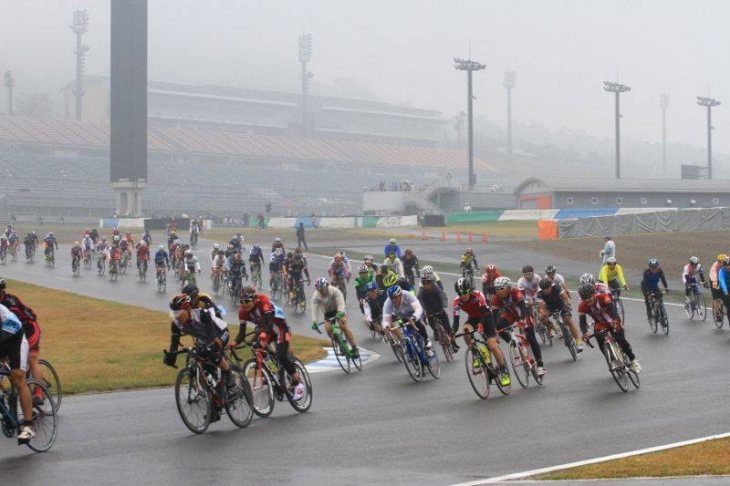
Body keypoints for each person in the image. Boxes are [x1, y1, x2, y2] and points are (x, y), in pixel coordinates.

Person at [163, 294, 236, 412]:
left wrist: (207, 348)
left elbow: (212, 336)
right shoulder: (176, 323)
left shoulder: (202, 314)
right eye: (174, 314)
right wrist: (172, 356)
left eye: (178, 313)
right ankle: (214, 406)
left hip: (220, 333)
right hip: (203, 339)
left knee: (210, 351)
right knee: (202, 369)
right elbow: (174, 342)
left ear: (188, 309)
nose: (176, 317)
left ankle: (228, 373)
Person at [232, 286, 305, 400]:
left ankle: (297, 383)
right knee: (255, 345)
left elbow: (270, 323)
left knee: (281, 355)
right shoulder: (242, 312)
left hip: (279, 327)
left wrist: (264, 334)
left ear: (254, 299)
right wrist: (234, 343)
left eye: (246, 301)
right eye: (241, 301)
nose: (244, 304)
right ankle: (270, 370)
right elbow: (241, 333)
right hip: (265, 329)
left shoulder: (263, 303)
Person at [452, 277, 511, 386]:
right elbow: (456, 322)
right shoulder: (457, 302)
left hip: (486, 318)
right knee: (465, 331)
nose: (462, 295)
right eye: (460, 293)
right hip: (473, 319)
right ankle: (476, 353)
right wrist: (452, 333)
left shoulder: (478, 295)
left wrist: (481, 324)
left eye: (465, 292)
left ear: (469, 290)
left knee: (492, 345)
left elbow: (485, 312)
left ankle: (504, 372)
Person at [0, 278, 46, 407]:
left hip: (29, 328)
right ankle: (12, 393)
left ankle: (38, 393)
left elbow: (11, 328)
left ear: (2, 291)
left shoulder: (10, 303)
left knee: (31, 358)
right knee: (8, 364)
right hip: (13, 333)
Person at [577, 284, 641, 373]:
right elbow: (582, 323)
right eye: (584, 298)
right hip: (600, 324)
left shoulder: (603, 297)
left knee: (620, 339)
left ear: (593, 294)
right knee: (599, 339)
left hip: (612, 319)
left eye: (588, 297)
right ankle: (613, 360)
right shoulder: (582, 306)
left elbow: (613, 309)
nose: (587, 300)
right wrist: (585, 332)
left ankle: (633, 361)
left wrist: (615, 321)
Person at [490, 276, 546, 377]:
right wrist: (494, 329)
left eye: (501, 288)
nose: (499, 291)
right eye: (497, 289)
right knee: (499, 327)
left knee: (531, 337)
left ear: (508, 288)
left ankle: (540, 365)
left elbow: (523, 307)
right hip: (510, 315)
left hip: (522, 313)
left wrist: (521, 320)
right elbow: (494, 316)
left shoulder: (515, 292)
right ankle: (514, 345)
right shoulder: (495, 298)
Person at [0, 302, 35, 440]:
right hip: (2, 340)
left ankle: (28, 426)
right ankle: (4, 395)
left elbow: (8, 331)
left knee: (18, 379)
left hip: (15, 339)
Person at [311, 277, 359, 358]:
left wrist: (340, 313)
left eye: (322, 289)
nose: (321, 292)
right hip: (328, 313)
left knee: (343, 326)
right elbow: (314, 309)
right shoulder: (315, 296)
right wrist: (315, 321)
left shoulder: (334, 291)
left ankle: (354, 348)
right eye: (319, 290)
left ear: (326, 285)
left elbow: (341, 303)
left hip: (338, 309)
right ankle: (340, 343)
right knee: (328, 329)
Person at [382, 285, 433, 355]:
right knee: (407, 332)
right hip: (404, 317)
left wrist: (414, 317)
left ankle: (427, 340)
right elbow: (386, 318)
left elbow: (418, 308)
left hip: (414, 313)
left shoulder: (407, 295)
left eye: (395, 297)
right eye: (391, 298)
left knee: (418, 324)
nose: (393, 300)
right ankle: (413, 350)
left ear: (400, 295)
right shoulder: (388, 303)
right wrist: (386, 326)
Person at [536, 278, 583, 352]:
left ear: (550, 286)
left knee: (568, 320)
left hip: (561, 305)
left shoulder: (557, 287)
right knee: (541, 318)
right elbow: (541, 308)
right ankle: (556, 329)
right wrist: (543, 314)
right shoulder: (539, 294)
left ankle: (578, 342)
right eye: (543, 289)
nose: (545, 290)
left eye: (547, 288)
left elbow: (567, 298)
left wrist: (568, 305)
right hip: (549, 307)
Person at [417, 271, 456, 351]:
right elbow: (420, 303)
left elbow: (443, 296)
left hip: (440, 309)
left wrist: (444, 307)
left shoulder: (436, 288)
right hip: (430, 311)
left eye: (428, 283)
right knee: (432, 324)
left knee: (448, 328)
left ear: (431, 282)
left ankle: (453, 343)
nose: (426, 285)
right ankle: (436, 331)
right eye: (424, 283)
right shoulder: (421, 292)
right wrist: (422, 314)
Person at [640, 258, 670, 325]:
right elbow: (645, 283)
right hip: (645, 287)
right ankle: (649, 314)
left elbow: (663, 280)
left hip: (654, 286)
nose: (654, 270)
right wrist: (648, 293)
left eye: (655, 268)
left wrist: (666, 288)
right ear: (649, 267)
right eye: (652, 268)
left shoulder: (660, 271)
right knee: (648, 300)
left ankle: (662, 319)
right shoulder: (646, 272)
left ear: (658, 267)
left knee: (660, 299)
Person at [709, 254, 727, 321]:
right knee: (716, 297)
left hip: (723, 278)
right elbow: (714, 279)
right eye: (721, 262)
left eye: (723, 262)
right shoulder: (714, 268)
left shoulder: (727, 263)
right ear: (718, 262)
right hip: (714, 280)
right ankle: (717, 313)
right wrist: (717, 287)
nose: (722, 264)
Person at [716, 257, 730, 324]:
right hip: (723, 287)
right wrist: (725, 290)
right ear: (724, 266)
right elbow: (722, 281)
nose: (728, 267)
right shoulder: (721, 271)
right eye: (727, 265)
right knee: (728, 306)